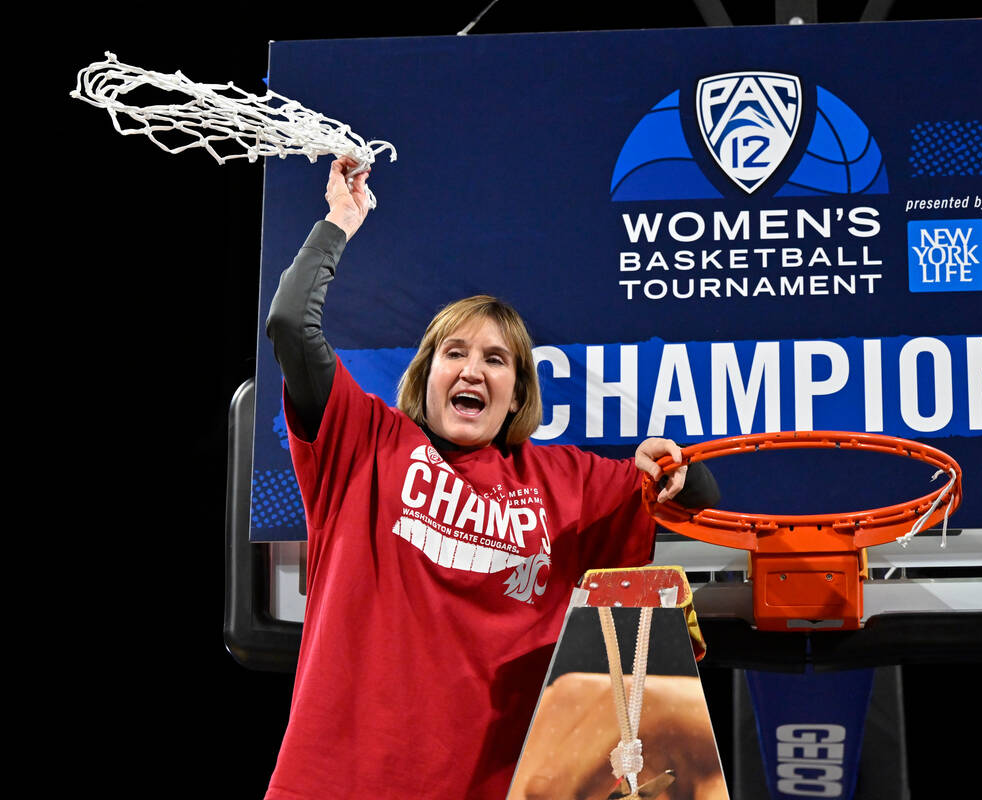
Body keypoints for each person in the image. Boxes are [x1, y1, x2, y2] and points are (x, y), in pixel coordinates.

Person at [262, 156, 718, 800]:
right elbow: (289, 325)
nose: (473, 370)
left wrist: (674, 469)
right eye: (455, 353)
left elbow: (694, 500)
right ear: (426, 375)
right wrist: (340, 220)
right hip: (337, 784)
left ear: (517, 391)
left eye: (495, 359)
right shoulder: (365, 444)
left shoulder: (569, 483)